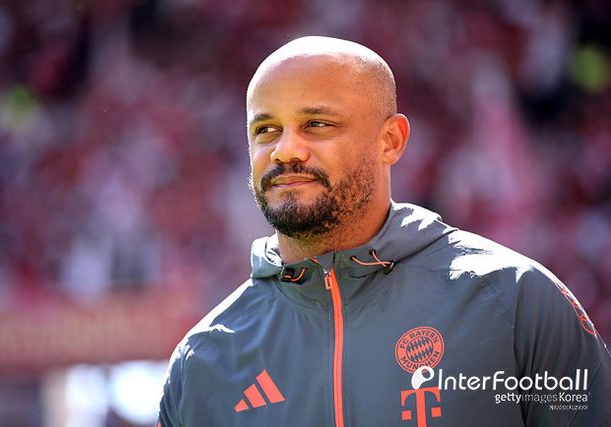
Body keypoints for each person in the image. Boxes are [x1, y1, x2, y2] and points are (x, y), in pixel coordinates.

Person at [158, 36, 611, 427]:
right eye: (266, 129)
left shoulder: (513, 300)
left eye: (317, 124)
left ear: (390, 140)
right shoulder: (202, 361)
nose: (285, 150)